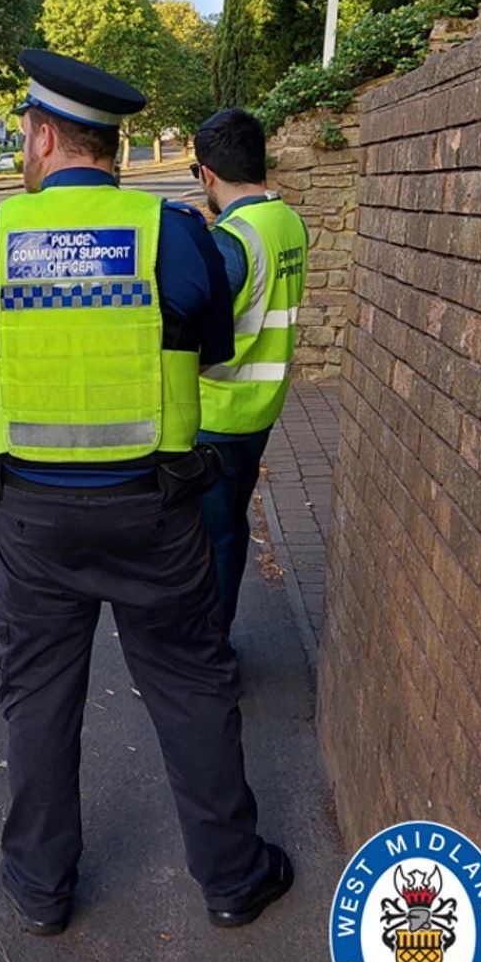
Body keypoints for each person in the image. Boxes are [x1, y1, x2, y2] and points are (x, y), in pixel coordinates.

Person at [0, 49, 293, 935]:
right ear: (114, 145)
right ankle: (232, 877)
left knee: (37, 696)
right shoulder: (173, 233)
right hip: (156, 512)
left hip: (29, 519)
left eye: (26, 131)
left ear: (45, 134)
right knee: (191, 687)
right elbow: (211, 344)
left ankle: (38, 888)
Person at [192, 109, 309, 637]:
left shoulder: (231, 240)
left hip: (218, 411)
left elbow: (199, 336)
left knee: (211, 537)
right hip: (263, 407)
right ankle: (216, 639)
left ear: (207, 175)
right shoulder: (288, 222)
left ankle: (209, 652)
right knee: (230, 525)